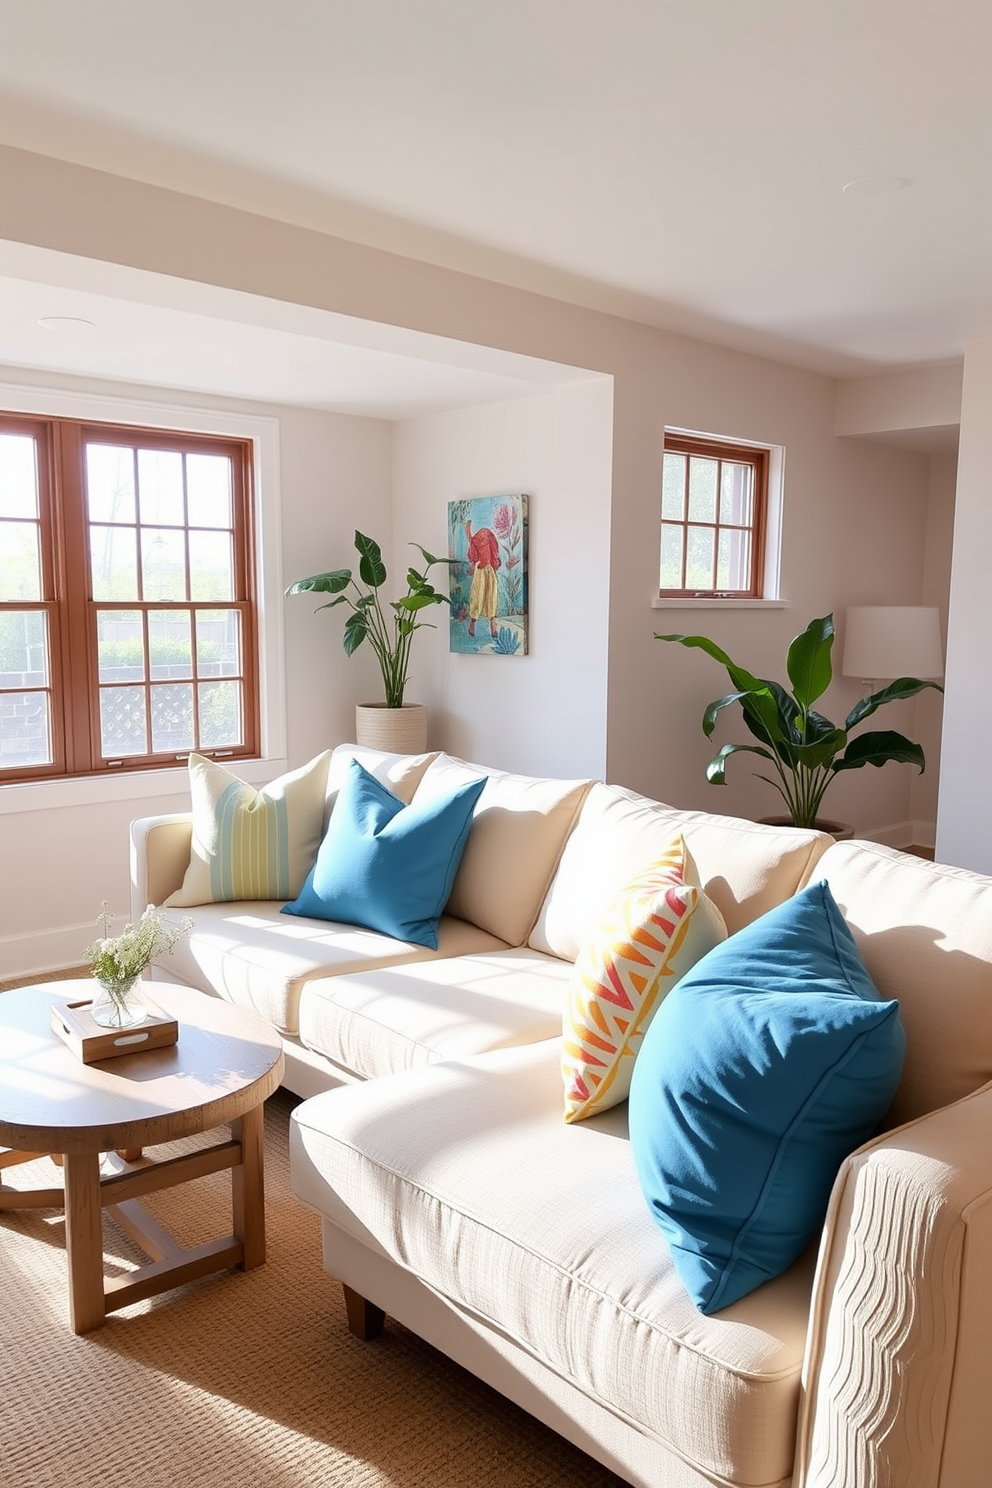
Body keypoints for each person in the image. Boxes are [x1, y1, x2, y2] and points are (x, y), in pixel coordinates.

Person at [465, 519, 500, 639]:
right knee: (478, 596)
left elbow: (492, 552)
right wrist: (468, 530)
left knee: (491, 595)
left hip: (488, 569)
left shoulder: (487, 536)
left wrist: (468, 530)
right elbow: (474, 548)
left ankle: (492, 625)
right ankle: (473, 624)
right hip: (481, 569)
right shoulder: (481, 538)